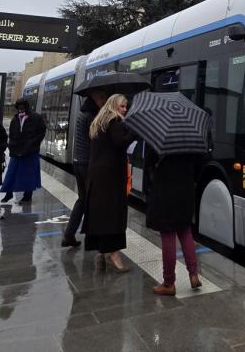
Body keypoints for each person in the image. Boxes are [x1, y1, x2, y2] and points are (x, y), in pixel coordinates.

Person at [143, 145, 203, 296]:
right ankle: (193, 275)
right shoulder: (190, 139)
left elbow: (149, 161)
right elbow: (199, 163)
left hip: (166, 190)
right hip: (186, 189)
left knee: (168, 234)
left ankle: (169, 283)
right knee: (185, 231)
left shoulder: (161, 137)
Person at [83, 93, 132, 271]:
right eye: (122, 106)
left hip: (97, 176)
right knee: (113, 215)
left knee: (101, 214)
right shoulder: (115, 121)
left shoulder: (99, 121)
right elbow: (121, 143)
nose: (125, 109)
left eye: (126, 106)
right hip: (111, 177)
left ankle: (100, 251)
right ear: (113, 106)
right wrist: (135, 132)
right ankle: (113, 254)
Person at [62, 89, 108, 248]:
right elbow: (97, 140)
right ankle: (94, 237)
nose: (103, 101)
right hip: (88, 164)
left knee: (82, 200)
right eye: (101, 98)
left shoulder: (83, 113)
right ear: (94, 98)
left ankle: (69, 234)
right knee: (93, 201)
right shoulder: (91, 117)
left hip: (78, 162)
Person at [1, 98, 46, 205]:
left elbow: (41, 133)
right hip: (16, 151)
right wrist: (11, 147)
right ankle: (8, 193)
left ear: (26, 107)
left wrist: (32, 144)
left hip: (30, 152)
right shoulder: (15, 119)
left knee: (28, 175)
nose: (20, 109)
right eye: (18, 107)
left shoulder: (36, 118)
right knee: (11, 173)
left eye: (22, 107)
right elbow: (12, 135)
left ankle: (27, 196)